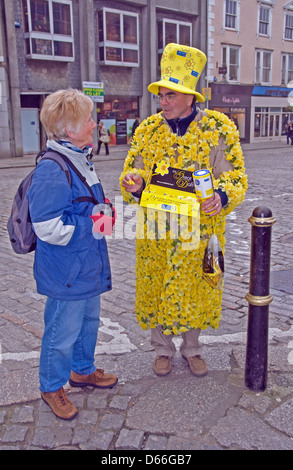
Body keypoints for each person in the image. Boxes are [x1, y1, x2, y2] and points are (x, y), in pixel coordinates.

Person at [120, 43, 247, 378]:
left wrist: (221, 195)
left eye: (170, 96)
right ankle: (162, 349)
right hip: (156, 230)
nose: (163, 102)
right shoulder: (147, 130)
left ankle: (193, 349)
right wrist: (133, 184)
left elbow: (236, 176)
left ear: (190, 96)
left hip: (202, 230)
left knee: (198, 285)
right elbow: (132, 172)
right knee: (157, 283)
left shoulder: (219, 129)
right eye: (161, 96)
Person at [27, 89, 117, 420]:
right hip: (68, 269)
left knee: (88, 322)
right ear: (69, 129)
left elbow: (87, 207)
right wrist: (94, 225)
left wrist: (104, 213)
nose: (95, 124)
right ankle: (52, 387)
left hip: (85, 265)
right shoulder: (53, 168)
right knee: (62, 330)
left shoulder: (79, 157)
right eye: (88, 119)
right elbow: (47, 226)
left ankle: (82, 370)